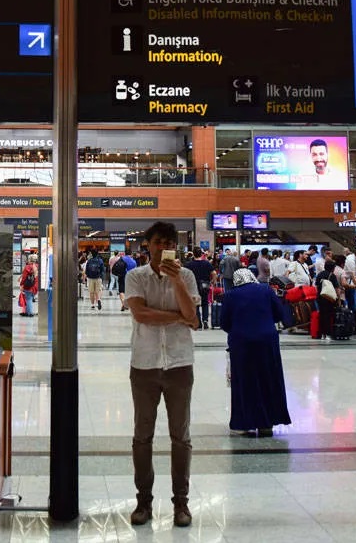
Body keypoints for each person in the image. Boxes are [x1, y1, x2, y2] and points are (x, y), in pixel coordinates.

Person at [123, 221, 199, 528]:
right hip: (144, 364)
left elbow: (193, 317)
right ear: (148, 245)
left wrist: (177, 282)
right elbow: (140, 314)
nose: (163, 247)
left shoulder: (188, 275)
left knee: (181, 437)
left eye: (169, 242)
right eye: (158, 242)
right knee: (143, 437)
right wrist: (179, 317)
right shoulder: (135, 276)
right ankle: (144, 502)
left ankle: (181, 503)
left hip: (180, 364)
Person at [221, 268, 291, 436]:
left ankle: (245, 423)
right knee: (269, 378)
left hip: (241, 342)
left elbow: (224, 322)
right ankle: (268, 422)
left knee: (245, 381)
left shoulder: (230, 295)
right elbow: (279, 314)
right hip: (267, 340)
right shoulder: (266, 290)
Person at [184, 250, 216, 329]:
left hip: (193, 286)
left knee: (196, 304)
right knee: (205, 303)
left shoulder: (189, 264)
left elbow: (184, 274)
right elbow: (214, 273)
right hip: (205, 285)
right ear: (201, 254)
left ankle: (198, 322)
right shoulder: (206, 263)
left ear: (193, 255)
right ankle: (205, 321)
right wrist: (213, 281)